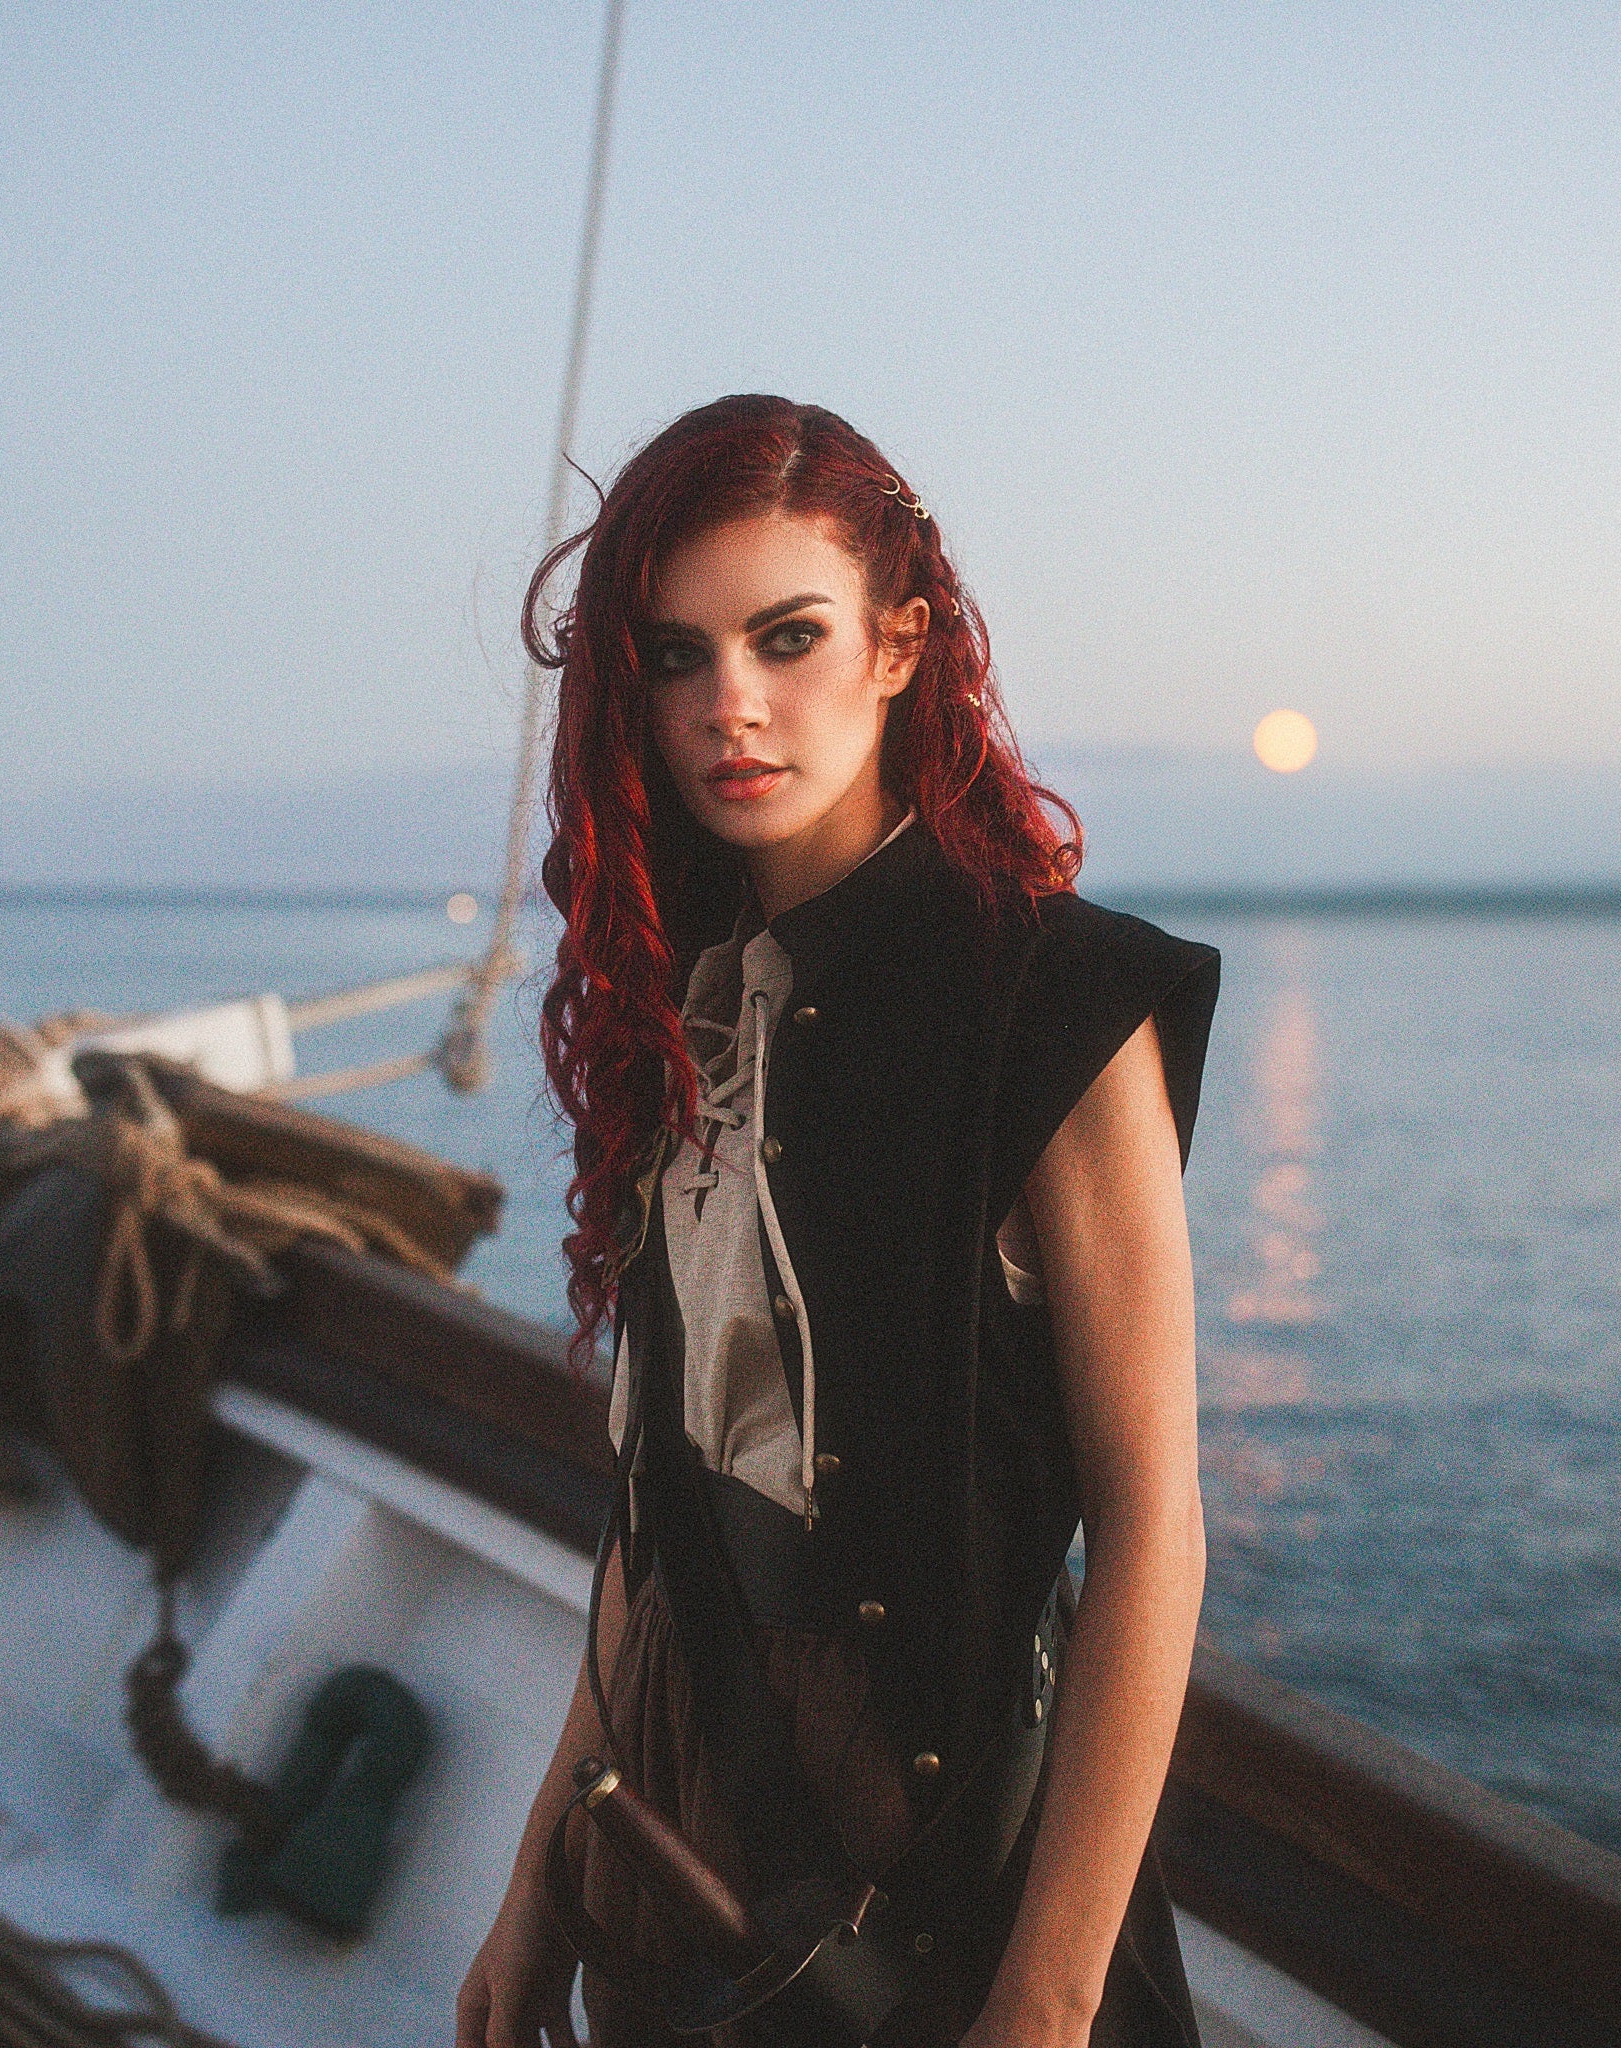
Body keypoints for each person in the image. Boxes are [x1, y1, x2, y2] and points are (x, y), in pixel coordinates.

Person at [458, 395, 1219, 2048]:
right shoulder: (676, 1009)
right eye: (676, 656)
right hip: (660, 1842)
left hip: (921, 1884)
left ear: (897, 647)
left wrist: (1048, 2003)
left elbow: (1153, 1528)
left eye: (786, 637)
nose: (731, 703)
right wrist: (535, 1884)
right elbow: (661, 1526)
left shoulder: (1054, 1005)